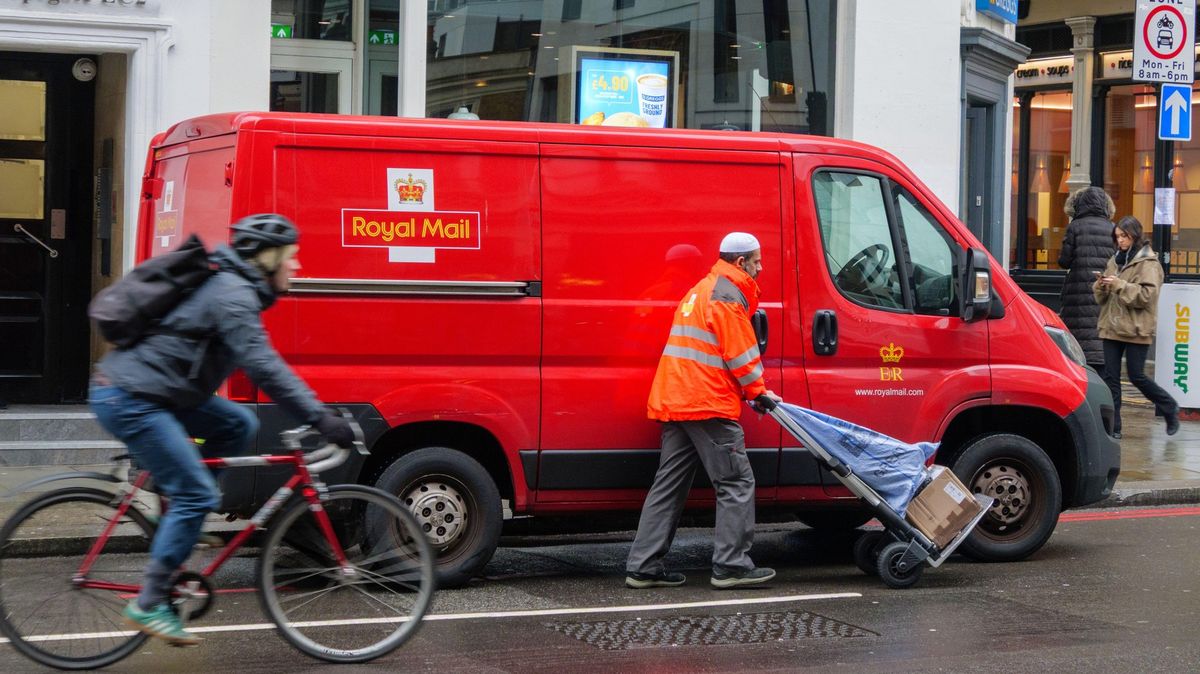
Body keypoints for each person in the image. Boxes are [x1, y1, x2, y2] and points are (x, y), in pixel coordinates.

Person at [89, 214, 355, 646]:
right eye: (291, 257)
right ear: (268, 259)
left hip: (159, 392)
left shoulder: (235, 288)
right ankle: (149, 603)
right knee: (196, 493)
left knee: (238, 422)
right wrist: (319, 417)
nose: (297, 266)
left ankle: (178, 513)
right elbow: (264, 367)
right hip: (131, 398)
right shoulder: (233, 295)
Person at [625, 231, 782, 590]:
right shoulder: (727, 295)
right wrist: (758, 392)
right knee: (736, 481)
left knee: (668, 485)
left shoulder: (700, 290)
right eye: (757, 261)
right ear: (741, 262)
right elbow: (741, 355)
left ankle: (643, 566)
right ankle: (731, 566)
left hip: (677, 399)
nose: (761, 267)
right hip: (706, 403)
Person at [1093, 215, 1179, 439]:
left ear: (1135, 235)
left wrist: (1119, 285)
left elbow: (1146, 297)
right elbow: (1102, 299)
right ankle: (1114, 428)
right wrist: (1101, 286)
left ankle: (1169, 407)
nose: (1120, 240)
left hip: (1136, 328)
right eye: (1117, 236)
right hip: (1112, 326)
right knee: (1111, 378)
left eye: (1124, 236)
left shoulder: (1149, 263)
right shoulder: (1115, 259)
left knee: (1137, 376)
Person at [1058, 186, 1116, 369]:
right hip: (1104, 290)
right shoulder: (1113, 228)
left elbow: (1064, 261)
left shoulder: (1075, 227)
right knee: (1099, 333)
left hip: (1078, 292)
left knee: (1078, 339)